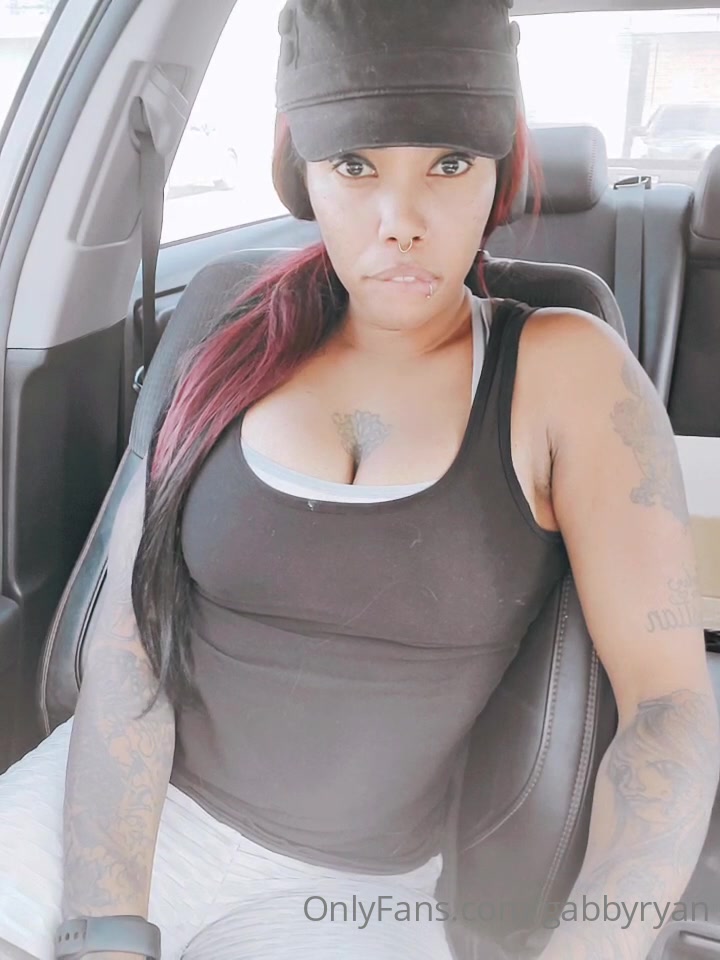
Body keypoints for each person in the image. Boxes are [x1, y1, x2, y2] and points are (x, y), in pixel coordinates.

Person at [1, 1, 719, 959]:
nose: (401, 222)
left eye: (449, 165)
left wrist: (596, 947)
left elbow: (668, 706)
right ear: (299, 172)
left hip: (347, 895)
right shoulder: (227, 332)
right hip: (102, 809)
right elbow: (129, 644)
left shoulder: (567, 371)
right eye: (354, 166)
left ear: (500, 171)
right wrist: (105, 924)